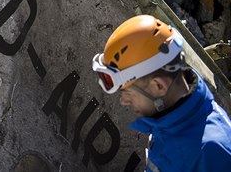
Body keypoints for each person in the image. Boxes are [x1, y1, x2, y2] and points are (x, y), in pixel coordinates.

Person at [92, 14, 231, 172]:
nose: (123, 101)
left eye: (128, 92)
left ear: (158, 86)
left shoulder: (213, 154)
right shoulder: (171, 117)